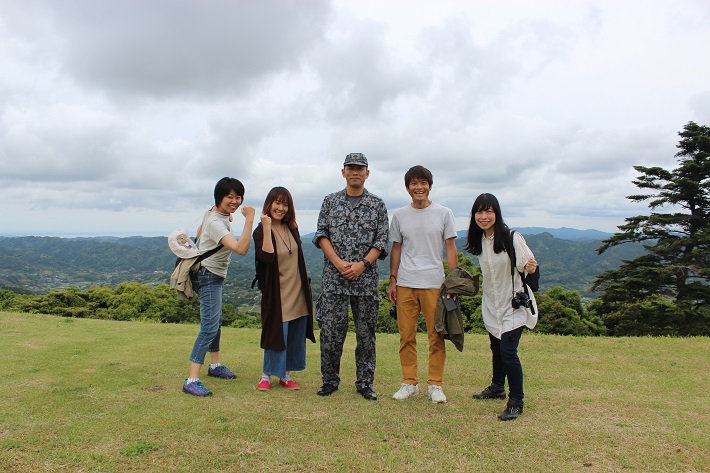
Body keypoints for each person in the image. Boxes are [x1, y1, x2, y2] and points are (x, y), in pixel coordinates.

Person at [313, 152, 389, 400]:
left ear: (367, 173)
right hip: (334, 280)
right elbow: (322, 234)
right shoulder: (330, 201)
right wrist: (338, 263)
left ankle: (365, 383)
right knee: (331, 333)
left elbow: (381, 240)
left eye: (360, 168)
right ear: (343, 172)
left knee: (366, 334)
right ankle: (329, 381)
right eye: (351, 168)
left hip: (365, 281)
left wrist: (362, 265)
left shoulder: (377, 204)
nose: (355, 172)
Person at [387, 165, 458, 404]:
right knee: (406, 336)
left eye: (423, 183)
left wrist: (453, 282)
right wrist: (393, 280)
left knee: (436, 336)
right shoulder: (399, 215)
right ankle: (409, 382)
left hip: (435, 284)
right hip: (406, 282)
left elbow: (450, 248)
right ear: (407, 188)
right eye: (414, 184)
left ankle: (435, 385)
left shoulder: (444, 213)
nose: (419, 187)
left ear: (430, 186)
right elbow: (396, 248)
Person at [464, 193, 538, 420]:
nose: (484, 216)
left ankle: (516, 401)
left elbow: (530, 267)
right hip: (491, 304)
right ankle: (497, 387)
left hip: (512, 305)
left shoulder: (511, 238)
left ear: (497, 213)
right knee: (496, 348)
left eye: (489, 211)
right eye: (479, 211)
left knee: (508, 352)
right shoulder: (480, 241)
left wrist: (531, 267)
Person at [182, 177, 256, 397]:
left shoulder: (216, 213)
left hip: (211, 275)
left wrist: (231, 214)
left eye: (238, 197)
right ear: (219, 197)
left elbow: (205, 225)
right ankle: (192, 379)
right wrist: (249, 219)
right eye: (229, 197)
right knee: (209, 327)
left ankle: (214, 366)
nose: (235, 201)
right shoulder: (215, 222)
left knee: (216, 323)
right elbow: (240, 249)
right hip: (208, 276)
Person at [252, 187, 316, 391]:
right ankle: (265, 375)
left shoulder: (292, 228)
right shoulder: (261, 231)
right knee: (276, 333)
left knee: (294, 333)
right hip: (276, 292)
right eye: (277, 203)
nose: (280, 208)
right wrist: (267, 225)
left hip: (297, 289)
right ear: (269, 204)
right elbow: (267, 257)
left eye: (285, 204)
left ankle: (285, 375)